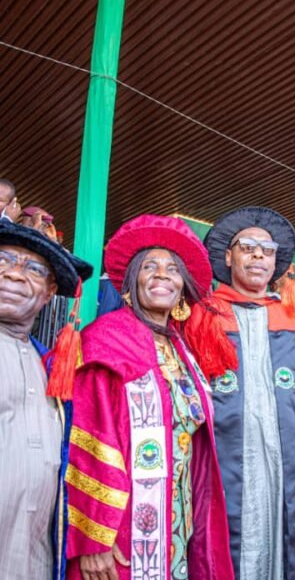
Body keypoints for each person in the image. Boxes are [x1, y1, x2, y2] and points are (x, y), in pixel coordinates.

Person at [185, 206, 295, 580]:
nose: (258, 255)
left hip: (285, 483)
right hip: (215, 484)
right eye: (247, 247)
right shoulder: (201, 318)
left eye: (267, 249)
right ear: (228, 257)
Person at [65, 215, 233, 580]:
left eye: (173, 269)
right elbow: (86, 439)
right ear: (131, 283)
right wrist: (94, 537)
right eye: (150, 267)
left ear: (182, 287)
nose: (162, 275)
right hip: (123, 527)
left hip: (177, 520)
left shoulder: (181, 348)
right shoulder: (105, 339)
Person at [0, 219, 92, 580]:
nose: (15, 275)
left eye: (34, 269)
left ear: (50, 290)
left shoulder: (50, 366)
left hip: (35, 557)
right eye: (3, 260)